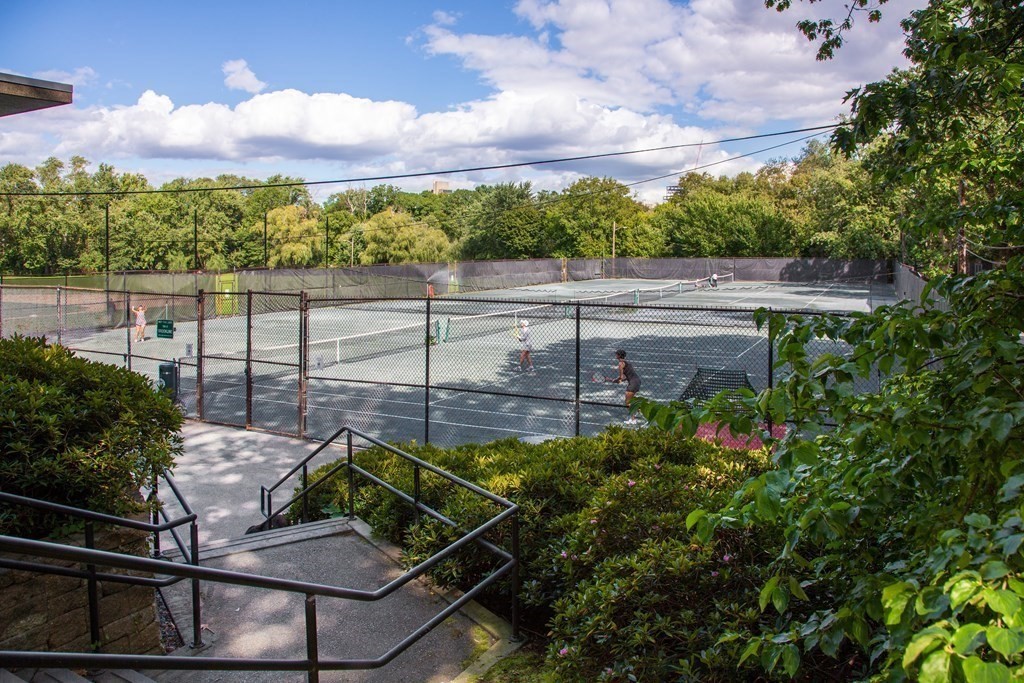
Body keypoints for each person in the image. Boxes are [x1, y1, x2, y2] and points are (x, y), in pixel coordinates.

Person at [614, 349, 642, 423]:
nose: (615, 355)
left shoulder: (620, 364)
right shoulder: (627, 363)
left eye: (616, 354)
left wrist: (616, 380)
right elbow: (626, 377)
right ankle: (640, 409)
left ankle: (633, 420)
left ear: (619, 355)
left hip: (632, 383)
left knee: (627, 402)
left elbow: (621, 377)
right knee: (632, 399)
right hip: (637, 381)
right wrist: (619, 380)